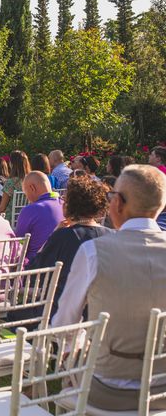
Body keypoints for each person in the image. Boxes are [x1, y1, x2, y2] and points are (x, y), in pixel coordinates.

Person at [53, 165, 166, 411]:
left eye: (112, 196)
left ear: (119, 203)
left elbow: (63, 326)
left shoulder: (94, 252)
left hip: (108, 390)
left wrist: (78, 347)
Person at [27, 177, 111, 318]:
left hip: (61, 312)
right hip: (99, 314)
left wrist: (53, 234)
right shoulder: (112, 235)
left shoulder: (64, 236)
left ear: (70, 205)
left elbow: (35, 272)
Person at [15, 171, 64, 264]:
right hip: (62, 265)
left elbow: (19, 243)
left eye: (26, 193)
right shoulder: (65, 205)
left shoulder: (30, 210)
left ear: (32, 188)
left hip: (35, 269)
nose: (27, 198)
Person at [0, 150, 31, 222]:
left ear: (12, 164)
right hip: (28, 218)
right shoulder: (31, 180)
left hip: (11, 219)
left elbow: (2, 207)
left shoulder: (11, 182)